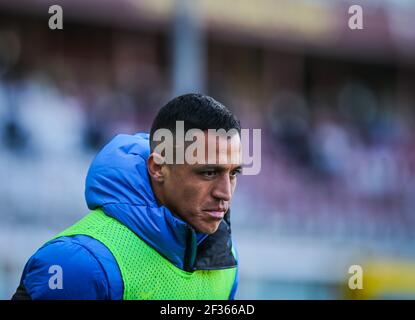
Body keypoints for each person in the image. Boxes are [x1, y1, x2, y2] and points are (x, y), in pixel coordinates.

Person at [12, 93, 242, 300]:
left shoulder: (224, 258)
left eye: (233, 173)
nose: (225, 192)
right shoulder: (80, 263)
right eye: (208, 172)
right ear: (158, 168)